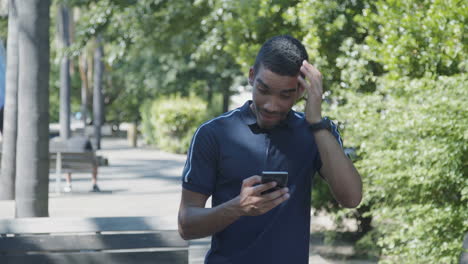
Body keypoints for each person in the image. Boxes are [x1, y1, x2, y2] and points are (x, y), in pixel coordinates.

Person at [178, 35, 362, 263]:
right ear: (251, 76)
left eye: (285, 95)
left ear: (302, 89)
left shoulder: (316, 133)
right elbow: (186, 225)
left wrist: (316, 121)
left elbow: (351, 198)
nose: (271, 105)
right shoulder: (214, 133)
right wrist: (238, 207)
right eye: (263, 90)